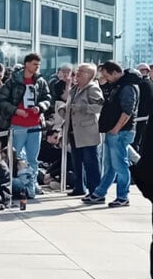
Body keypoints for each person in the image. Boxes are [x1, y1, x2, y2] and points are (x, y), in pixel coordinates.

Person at [84, 61, 142, 207]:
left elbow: (127, 111)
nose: (106, 79)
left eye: (107, 76)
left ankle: (122, 196)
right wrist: (103, 84)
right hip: (115, 130)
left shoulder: (127, 87)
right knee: (111, 165)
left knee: (120, 165)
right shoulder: (119, 84)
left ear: (115, 72)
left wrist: (116, 128)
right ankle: (99, 193)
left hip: (120, 131)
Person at [0, 53, 52, 188]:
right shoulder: (13, 81)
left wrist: (40, 107)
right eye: (35, 64)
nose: (37, 67)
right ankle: (13, 184)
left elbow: (48, 98)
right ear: (27, 64)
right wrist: (15, 110)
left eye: (38, 65)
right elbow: (1, 100)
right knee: (14, 157)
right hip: (18, 124)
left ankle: (31, 185)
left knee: (33, 158)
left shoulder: (40, 81)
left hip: (35, 124)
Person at [60, 63, 104, 197]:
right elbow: (70, 106)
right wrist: (63, 109)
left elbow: (99, 107)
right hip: (74, 131)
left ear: (89, 75)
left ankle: (95, 191)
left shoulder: (93, 89)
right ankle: (79, 187)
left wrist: (82, 108)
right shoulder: (74, 89)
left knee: (91, 162)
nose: (76, 75)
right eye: (77, 72)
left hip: (87, 132)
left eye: (81, 72)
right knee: (77, 161)